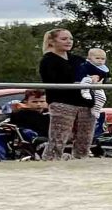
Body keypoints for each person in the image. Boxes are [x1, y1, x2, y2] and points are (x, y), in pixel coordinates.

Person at [37, 28, 95, 159]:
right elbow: (54, 81)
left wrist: (97, 78)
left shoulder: (78, 60)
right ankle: (51, 161)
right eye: (64, 39)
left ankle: (81, 161)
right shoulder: (48, 60)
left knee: (85, 139)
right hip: (62, 102)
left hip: (85, 102)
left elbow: (97, 72)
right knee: (59, 137)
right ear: (52, 41)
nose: (69, 42)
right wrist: (77, 81)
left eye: (71, 39)